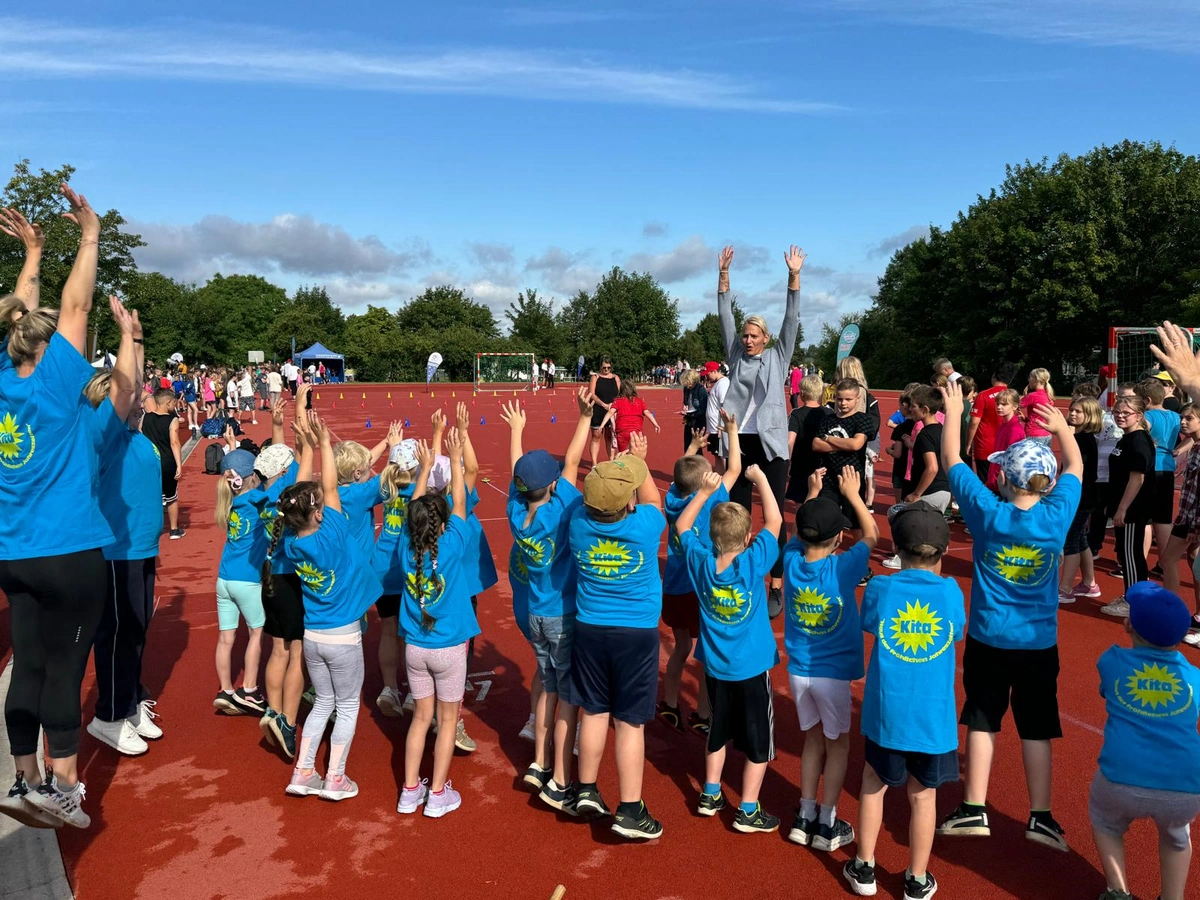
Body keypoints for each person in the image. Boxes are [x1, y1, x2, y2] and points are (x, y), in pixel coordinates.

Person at [0, 187, 114, 829]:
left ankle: (25, 780)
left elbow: (26, 316)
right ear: (52, 350)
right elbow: (76, 302)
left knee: (29, 665)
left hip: (11, 553)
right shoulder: (59, 377)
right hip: (67, 549)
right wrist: (88, 235)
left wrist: (33, 253)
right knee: (67, 670)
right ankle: (65, 789)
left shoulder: (3, 378)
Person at [936, 381, 1081, 853]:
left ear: (1003, 479)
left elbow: (953, 462)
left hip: (990, 638)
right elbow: (1076, 466)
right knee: (1038, 727)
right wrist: (1060, 428)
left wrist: (955, 414)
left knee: (982, 720)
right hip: (1038, 642)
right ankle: (1041, 816)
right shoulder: (1057, 515)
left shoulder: (987, 515)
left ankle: (974, 807)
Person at [843, 502, 965, 900]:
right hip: (933, 720)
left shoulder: (881, 586)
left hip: (887, 715)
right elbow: (957, 632)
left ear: (898, 548)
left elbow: (869, 623)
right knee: (923, 796)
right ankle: (916, 876)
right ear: (944, 553)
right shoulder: (950, 591)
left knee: (873, 785)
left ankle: (864, 864)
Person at [564, 435, 666, 839]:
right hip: (636, 635)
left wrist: (610, 472)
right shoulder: (645, 524)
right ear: (628, 504)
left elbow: (583, 490)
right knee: (629, 723)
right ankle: (629, 809)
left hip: (590, 629)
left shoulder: (577, 524)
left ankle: (586, 788)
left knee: (593, 710)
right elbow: (654, 500)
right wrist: (636, 463)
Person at [278, 413, 382, 802]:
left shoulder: (292, 544)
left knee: (322, 702)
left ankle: (304, 770)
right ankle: (335, 776)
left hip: (314, 634)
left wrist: (320, 448)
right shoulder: (334, 532)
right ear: (319, 513)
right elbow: (333, 488)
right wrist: (324, 443)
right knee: (348, 705)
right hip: (342, 636)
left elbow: (328, 490)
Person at [676, 465, 783, 834]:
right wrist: (763, 481)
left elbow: (681, 528)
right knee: (759, 742)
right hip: (751, 669)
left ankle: (709, 793)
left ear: (711, 536)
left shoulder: (701, 562)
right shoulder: (753, 563)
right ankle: (748, 809)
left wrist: (703, 493)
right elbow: (775, 521)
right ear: (749, 537)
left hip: (716, 669)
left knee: (717, 732)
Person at [500, 389, 590, 811]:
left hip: (534, 612)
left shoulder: (518, 512)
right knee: (568, 692)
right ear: (552, 486)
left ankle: (537, 761)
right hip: (562, 613)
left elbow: (522, 476)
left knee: (548, 682)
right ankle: (559, 772)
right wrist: (585, 419)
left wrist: (516, 433)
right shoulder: (561, 511)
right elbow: (572, 462)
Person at [782, 465, 877, 852]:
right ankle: (827, 820)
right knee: (838, 746)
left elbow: (795, 533)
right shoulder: (842, 567)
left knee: (812, 742)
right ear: (839, 538)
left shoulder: (790, 560)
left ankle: (804, 815)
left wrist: (812, 492)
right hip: (833, 675)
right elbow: (871, 535)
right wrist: (854, 495)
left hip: (800, 672)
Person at [84, 299, 163, 757]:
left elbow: (134, 384)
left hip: (142, 548)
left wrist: (138, 336)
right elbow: (126, 385)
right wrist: (128, 340)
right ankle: (107, 715)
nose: (141, 394)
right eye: (133, 393)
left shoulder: (136, 435)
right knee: (117, 632)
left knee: (137, 629)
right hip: (116, 552)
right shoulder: (107, 436)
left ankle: (129, 701)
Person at [1089, 582, 1200, 900]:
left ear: (1128, 624)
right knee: (1177, 836)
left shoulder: (1112, 661)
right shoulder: (1194, 678)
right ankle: (1173, 897)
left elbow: (1108, 691)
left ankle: (1118, 890)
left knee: (1105, 821)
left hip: (1122, 775)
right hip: (1186, 782)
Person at [718, 245, 807, 619]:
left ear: (766, 338)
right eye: (746, 335)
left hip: (771, 446)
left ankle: (775, 584)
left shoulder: (779, 355)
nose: (749, 339)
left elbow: (792, 317)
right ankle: (736, 571)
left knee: (775, 516)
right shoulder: (736, 355)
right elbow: (723, 314)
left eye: (755, 335)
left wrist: (793, 276)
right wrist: (723, 276)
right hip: (739, 442)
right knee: (735, 511)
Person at [395, 430, 479, 818]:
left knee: (420, 718)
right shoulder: (454, 543)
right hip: (450, 649)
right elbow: (459, 500)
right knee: (447, 723)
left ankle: (410, 791)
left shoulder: (404, 546)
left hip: (415, 648)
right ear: (444, 523)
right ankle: (439, 793)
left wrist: (424, 468)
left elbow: (416, 510)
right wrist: (454, 457)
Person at [659, 412, 741, 734]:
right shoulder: (714, 497)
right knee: (706, 652)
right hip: (702, 587)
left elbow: (683, 476)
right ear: (706, 483)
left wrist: (692, 447)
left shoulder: (671, 500)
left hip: (675, 587)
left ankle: (670, 704)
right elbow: (733, 469)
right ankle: (704, 714)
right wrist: (732, 432)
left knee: (681, 647)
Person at [211, 448, 268, 716]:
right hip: (247, 580)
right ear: (250, 476)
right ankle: (249, 689)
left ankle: (225, 690)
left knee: (226, 638)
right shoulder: (257, 500)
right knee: (257, 632)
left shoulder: (229, 502)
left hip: (224, 579)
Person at [371, 436, 420, 717]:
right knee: (412, 632)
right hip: (408, 568)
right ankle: (415, 690)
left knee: (389, 631)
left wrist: (392, 447)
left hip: (382, 567)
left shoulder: (385, 486)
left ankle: (390, 688)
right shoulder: (421, 488)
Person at [1101, 396, 1157, 617]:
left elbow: (1138, 478)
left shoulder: (1138, 441)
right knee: (1128, 554)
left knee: (1131, 556)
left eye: (1126, 413)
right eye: (1117, 412)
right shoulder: (1127, 438)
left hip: (1134, 508)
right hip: (1124, 506)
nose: (1120, 416)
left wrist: (1123, 508)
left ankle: (1133, 601)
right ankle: (1133, 597)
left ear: (1139, 416)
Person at [1058, 397, 1102, 603]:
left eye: (1079, 412)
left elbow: (1076, 469)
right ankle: (1089, 583)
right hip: (1081, 495)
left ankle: (1065, 588)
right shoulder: (1078, 437)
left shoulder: (1083, 439)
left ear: (1090, 416)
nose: (1073, 414)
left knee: (1070, 540)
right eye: (1072, 410)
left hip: (1081, 496)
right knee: (1081, 538)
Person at [1136, 378, 1182, 574]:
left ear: (1146, 400)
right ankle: (1165, 563)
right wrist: (1179, 449)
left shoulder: (1146, 417)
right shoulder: (1174, 416)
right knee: (1163, 519)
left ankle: (1140, 563)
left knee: (1145, 518)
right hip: (1167, 469)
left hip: (1150, 468)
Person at [1162, 404, 1200, 615]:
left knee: (1168, 560)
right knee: (1195, 564)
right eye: (1182, 417)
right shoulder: (1194, 445)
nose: (1183, 422)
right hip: (1189, 516)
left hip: (1191, 520)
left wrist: (1195, 524)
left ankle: (1170, 610)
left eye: (1189, 418)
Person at [141, 387, 186, 540]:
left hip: (149, 461)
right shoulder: (172, 420)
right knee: (171, 496)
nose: (175, 406)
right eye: (174, 403)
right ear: (168, 403)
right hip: (167, 462)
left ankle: (151, 529)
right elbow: (174, 443)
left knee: (151, 495)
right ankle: (173, 529)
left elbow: (139, 435)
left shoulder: (145, 418)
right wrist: (179, 464)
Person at [966, 362, 1018, 481]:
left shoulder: (983, 396)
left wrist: (968, 443)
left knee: (985, 482)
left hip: (985, 447)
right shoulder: (1012, 396)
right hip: (1006, 447)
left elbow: (974, 422)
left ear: (994, 375)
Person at [785, 373, 828, 505]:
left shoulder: (797, 414)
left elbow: (790, 440)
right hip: (823, 465)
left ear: (802, 394)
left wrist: (788, 462)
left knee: (801, 504)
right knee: (822, 503)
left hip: (801, 464)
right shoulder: (829, 413)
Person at [599, 380, 660, 452]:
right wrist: (655, 424)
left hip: (622, 432)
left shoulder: (618, 401)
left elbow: (610, 412)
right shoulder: (639, 401)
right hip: (636, 432)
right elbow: (648, 413)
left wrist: (602, 425)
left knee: (623, 454)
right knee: (636, 454)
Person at [986, 389, 1025, 492]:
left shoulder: (1015, 430)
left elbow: (1012, 461)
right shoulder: (1004, 425)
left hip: (1003, 484)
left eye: (1004, 404)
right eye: (997, 404)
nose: (999, 407)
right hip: (995, 479)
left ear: (1015, 406)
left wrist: (999, 482)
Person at [587, 356, 621, 464]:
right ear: (600, 367)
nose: (606, 369)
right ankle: (594, 463)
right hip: (598, 409)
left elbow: (620, 394)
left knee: (610, 436)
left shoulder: (615, 378)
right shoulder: (595, 377)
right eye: (604, 367)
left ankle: (611, 460)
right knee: (596, 436)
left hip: (612, 410)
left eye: (608, 367)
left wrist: (614, 405)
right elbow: (592, 394)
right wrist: (603, 404)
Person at [703, 361, 730, 467]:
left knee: (722, 455)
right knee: (717, 455)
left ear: (714, 371)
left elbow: (725, 406)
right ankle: (720, 478)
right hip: (713, 426)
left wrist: (721, 426)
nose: (707, 377)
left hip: (717, 427)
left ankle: (724, 479)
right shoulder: (718, 384)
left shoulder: (723, 384)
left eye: (708, 374)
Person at [1020, 368, 1055, 447]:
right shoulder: (1048, 395)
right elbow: (1039, 416)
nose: (1029, 379)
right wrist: (1026, 419)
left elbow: (1015, 405)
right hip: (1047, 434)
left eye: (1030, 377)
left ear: (1037, 379)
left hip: (1033, 434)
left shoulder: (1032, 396)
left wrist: (1024, 395)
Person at [679, 369, 708, 454]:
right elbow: (685, 402)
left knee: (696, 447)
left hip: (698, 420)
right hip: (689, 419)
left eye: (689, 383)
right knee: (687, 445)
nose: (687, 386)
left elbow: (703, 409)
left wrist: (691, 414)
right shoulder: (686, 389)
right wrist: (685, 409)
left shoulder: (701, 390)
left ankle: (699, 466)